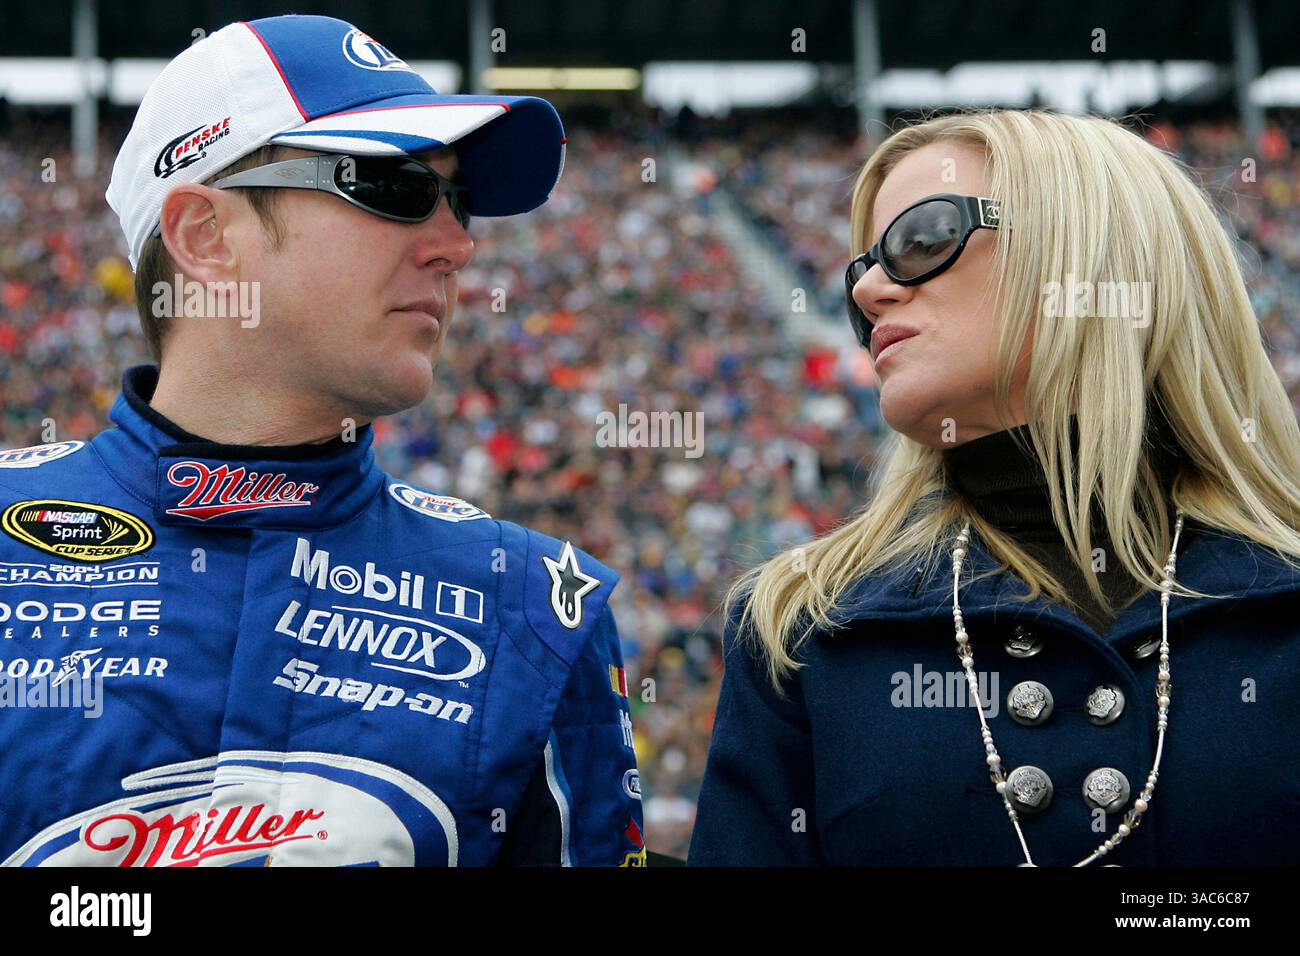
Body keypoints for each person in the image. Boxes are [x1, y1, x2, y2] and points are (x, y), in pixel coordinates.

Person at [0, 14, 644, 867]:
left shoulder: (537, 606)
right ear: (204, 236)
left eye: (456, 199)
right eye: (397, 186)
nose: (457, 244)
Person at [688, 109, 1300, 866]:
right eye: (861, 269)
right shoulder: (800, 630)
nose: (871, 289)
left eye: (919, 241)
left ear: (1084, 253)